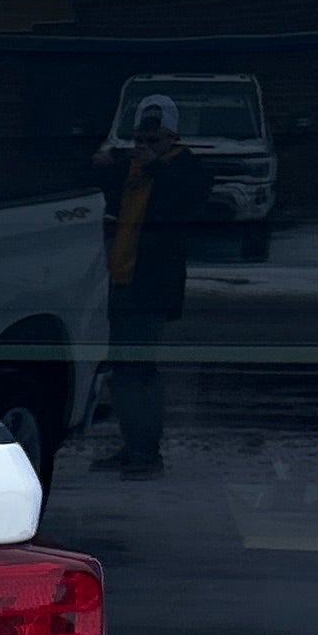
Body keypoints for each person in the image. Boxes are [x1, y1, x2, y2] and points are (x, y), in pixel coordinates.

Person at [95, 96, 216, 478]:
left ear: (171, 138)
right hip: (119, 279)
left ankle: (146, 451)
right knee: (124, 370)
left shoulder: (185, 169)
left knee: (139, 369)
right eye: (141, 139)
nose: (145, 146)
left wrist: (156, 167)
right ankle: (135, 445)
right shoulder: (130, 168)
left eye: (155, 139)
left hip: (149, 285)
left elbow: (189, 200)